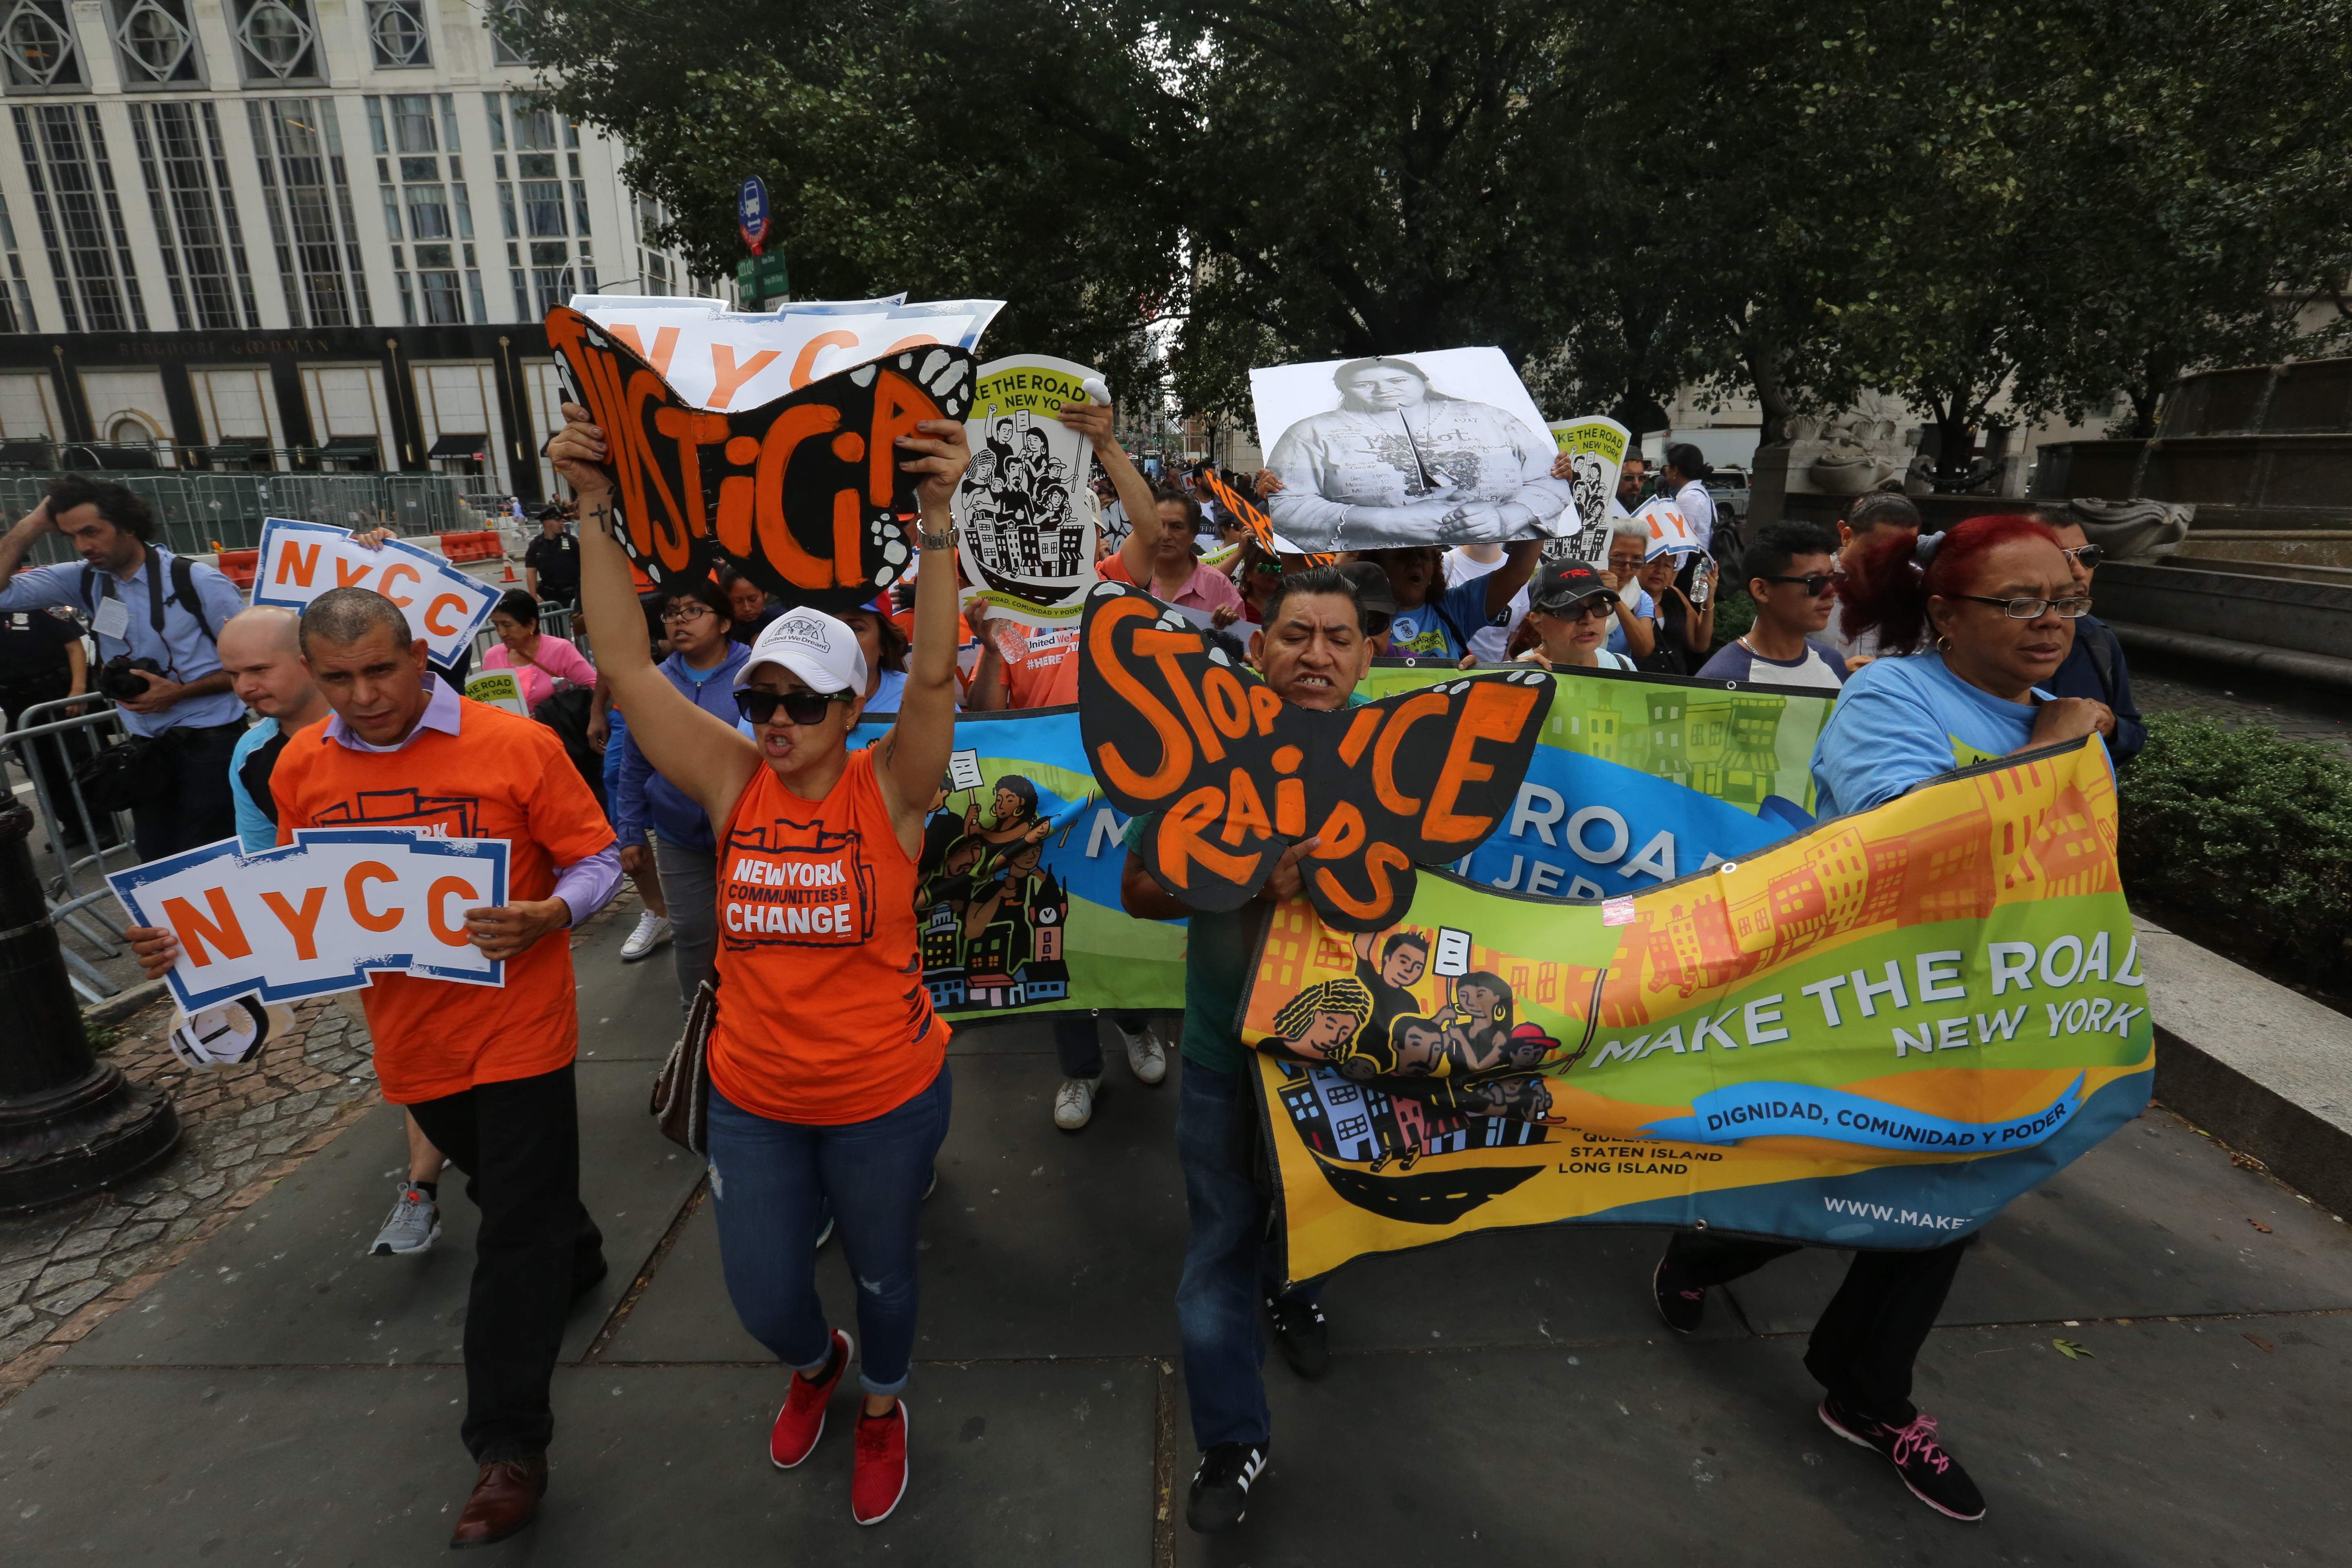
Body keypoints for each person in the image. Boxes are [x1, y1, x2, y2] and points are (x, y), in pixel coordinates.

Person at [129, 586, 619, 1547]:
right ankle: (582, 1249)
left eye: (381, 670)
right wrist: (187, 945)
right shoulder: (300, 764)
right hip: (411, 1039)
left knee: (512, 1228)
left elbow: (596, 857)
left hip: (521, 1025)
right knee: (516, 1190)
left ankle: (506, 1445)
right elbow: (281, 905)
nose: (364, 694)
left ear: (418, 654)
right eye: (340, 676)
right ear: (313, 671)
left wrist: (550, 913)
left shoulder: (515, 744)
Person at [553, 395, 966, 1528]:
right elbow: (628, 672)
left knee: (887, 1277)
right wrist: (594, 508)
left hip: (883, 1094)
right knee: (764, 1295)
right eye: (758, 698)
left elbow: (931, 678)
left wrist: (939, 515)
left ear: (849, 705)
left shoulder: (893, 786)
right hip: (754, 1098)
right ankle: (816, 1363)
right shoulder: (736, 780)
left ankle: (881, 1403)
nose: (773, 717)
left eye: (798, 703)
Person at [1653, 514, 2113, 1527]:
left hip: (1997, 1027)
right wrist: (2048, 752)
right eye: (2019, 602)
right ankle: (1709, 1254)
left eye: (2066, 600)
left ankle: (1863, 1391)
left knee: (1944, 1208)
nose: (2050, 624)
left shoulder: (2056, 713)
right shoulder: (1888, 694)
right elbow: (1907, 849)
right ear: (1942, 613)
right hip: (1871, 1013)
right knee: (1846, 1180)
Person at [1119, 563, 1381, 1535]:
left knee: (1314, 1212)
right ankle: (1233, 1441)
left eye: (1337, 637)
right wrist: (1236, 879)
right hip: (1223, 1059)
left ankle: (1299, 1290)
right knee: (1219, 1242)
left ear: (1365, 656)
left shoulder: (1400, 764)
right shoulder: (1207, 757)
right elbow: (1141, 886)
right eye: (1296, 634)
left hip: (1344, 1060)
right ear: (1258, 646)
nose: (1315, 654)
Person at [215, 604, 454, 1257]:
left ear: (303, 663)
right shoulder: (254, 753)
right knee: (412, 1060)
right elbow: (266, 867)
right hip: (364, 952)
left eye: (258, 670)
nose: (244, 688)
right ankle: (437, 1179)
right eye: (232, 674)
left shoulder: (414, 721)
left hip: (463, 944)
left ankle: (424, 1184)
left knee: (461, 1070)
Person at [963, 396, 1171, 1125]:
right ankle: (1079, 1070)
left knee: (1118, 912)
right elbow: (989, 718)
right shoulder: (1002, 608)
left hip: (1119, 789)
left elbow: (1154, 533)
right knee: (1059, 929)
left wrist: (1111, 447)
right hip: (1050, 804)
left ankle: (1138, 1026)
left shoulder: (1112, 581)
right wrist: (989, 651)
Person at [0, 475, 246, 861]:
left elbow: (252, 669)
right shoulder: (85, 580)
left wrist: (180, 692)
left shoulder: (196, 582)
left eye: (91, 532)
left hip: (211, 747)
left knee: (210, 867)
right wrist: (32, 523)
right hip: (144, 752)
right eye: (72, 536)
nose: (83, 547)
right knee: (157, 867)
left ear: (128, 524)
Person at [1264, 356, 1573, 550]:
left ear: (1423, 381)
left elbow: (1550, 479)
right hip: (1372, 569)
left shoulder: (1492, 417)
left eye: (1398, 380)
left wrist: (1506, 518)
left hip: (1494, 559)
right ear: (1345, 391)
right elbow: (1288, 504)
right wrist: (1384, 522)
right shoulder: (1310, 432)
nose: (1383, 390)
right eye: (1365, 384)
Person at [612, 576, 746, 1009]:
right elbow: (634, 764)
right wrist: (630, 831)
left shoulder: (756, 672)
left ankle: (752, 1016)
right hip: (678, 838)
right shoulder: (652, 684)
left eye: (693, 611)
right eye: (671, 614)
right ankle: (697, 1021)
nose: (679, 622)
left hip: (749, 834)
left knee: (752, 929)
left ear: (724, 622)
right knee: (691, 931)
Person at [1695, 520, 1848, 689]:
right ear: (1762, 590)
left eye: (1833, 578)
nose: (1832, 591)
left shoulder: (1832, 662)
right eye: (1816, 582)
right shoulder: (1722, 679)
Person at [2043, 517, 2145, 762]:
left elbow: (2134, 733)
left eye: (2087, 556)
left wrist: (2112, 728)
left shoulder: (2098, 639)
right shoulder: (1986, 643)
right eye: (2061, 557)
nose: (2079, 571)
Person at [0, 602, 95, 846]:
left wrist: (78, 690)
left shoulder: (37, 601)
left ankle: (102, 824)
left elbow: (75, 648)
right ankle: (73, 826)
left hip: (56, 697)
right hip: (16, 704)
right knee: (41, 769)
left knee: (78, 761)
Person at [1373, 540, 1538, 662]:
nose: (1416, 562)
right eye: (1403, 555)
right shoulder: (1361, 614)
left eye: (1425, 556)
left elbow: (1518, 573)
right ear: (1377, 565)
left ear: (1435, 569)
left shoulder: (1453, 608)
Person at [1826, 490, 1922, 672]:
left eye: (1900, 555)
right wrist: (1836, 670)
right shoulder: (1811, 581)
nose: (1886, 565)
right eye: (1875, 554)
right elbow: (1769, 654)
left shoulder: (1920, 584)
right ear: (1847, 536)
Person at [1500, 562, 1637, 671]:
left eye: (1599, 606)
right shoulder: (1514, 674)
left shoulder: (1623, 667)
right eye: (1570, 610)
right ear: (1538, 622)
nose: (1589, 619)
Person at [481, 590, 597, 713]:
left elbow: (594, 687)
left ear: (531, 624)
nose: (501, 633)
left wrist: (550, 713)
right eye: (496, 626)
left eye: (507, 626)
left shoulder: (560, 649)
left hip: (554, 730)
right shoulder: (492, 656)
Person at [1630, 546, 1713, 676]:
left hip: (1675, 685)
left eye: (1668, 566)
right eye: (1653, 563)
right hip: (1634, 684)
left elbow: (1699, 644)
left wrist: (1708, 600)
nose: (1660, 571)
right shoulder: (1625, 599)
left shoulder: (1676, 595)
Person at [1599, 519, 1658, 661]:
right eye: (1618, 558)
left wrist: (1615, 599)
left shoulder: (1641, 600)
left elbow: (1645, 649)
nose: (1627, 568)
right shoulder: (1581, 591)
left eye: (1636, 560)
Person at [1659, 443, 1718, 554]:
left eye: (1667, 466)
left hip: (1692, 562)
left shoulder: (1689, 498)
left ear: (1675, 470)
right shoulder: (1699, 492)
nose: (1665, 471)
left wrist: (1676, 570)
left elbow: (1682, 543)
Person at [521, 508, 580, 607]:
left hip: (574, 596)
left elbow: (587, 566)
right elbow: (531, 570)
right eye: (558, 521)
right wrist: (534, 595)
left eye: (562, 520)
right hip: (550, 598)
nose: (562, 523)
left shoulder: (571, 541)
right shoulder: (536, 545)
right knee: (554, 623)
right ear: (547, 522)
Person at [720, 564, 782, 641]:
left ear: (765, 593)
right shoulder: (720, 629)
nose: (747, 608)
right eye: (738, 601)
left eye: (753, 599)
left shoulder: (781, 619)